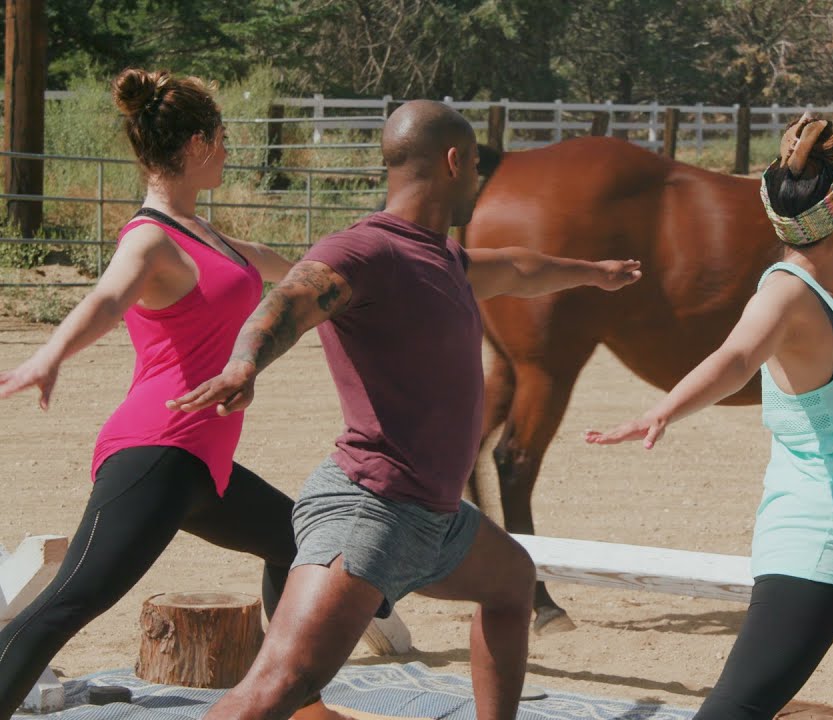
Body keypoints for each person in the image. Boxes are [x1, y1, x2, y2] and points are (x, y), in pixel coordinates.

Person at [168, 99, 642, 720]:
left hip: (435, 519)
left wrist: (594, 273)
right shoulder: (366, 251)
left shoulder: (444, 258)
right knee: (276, 686)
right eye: (476, 165)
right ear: (454, 162)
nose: (478, 179)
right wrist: (246, 362)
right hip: (369, 512)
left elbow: (521, 268)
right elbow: (290, 299)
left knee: (512, 584)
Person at [586, 113, 833, 720]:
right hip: (818, 551)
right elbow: (737, 355)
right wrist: (662, 410)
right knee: (734, 712)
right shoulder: (786, 295)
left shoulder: (821, 302)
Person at [0, 68, 342, 720]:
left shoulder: (202, 232)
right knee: (64, 606)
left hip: (202, 466)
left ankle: (300, 707)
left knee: (299, 547)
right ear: (194, 145)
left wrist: (343, 279)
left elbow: (272, 264)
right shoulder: (150, 237)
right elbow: (105, 297)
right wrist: (49, 356)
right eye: (221, 138)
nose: (227, 148)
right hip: (155, 452)